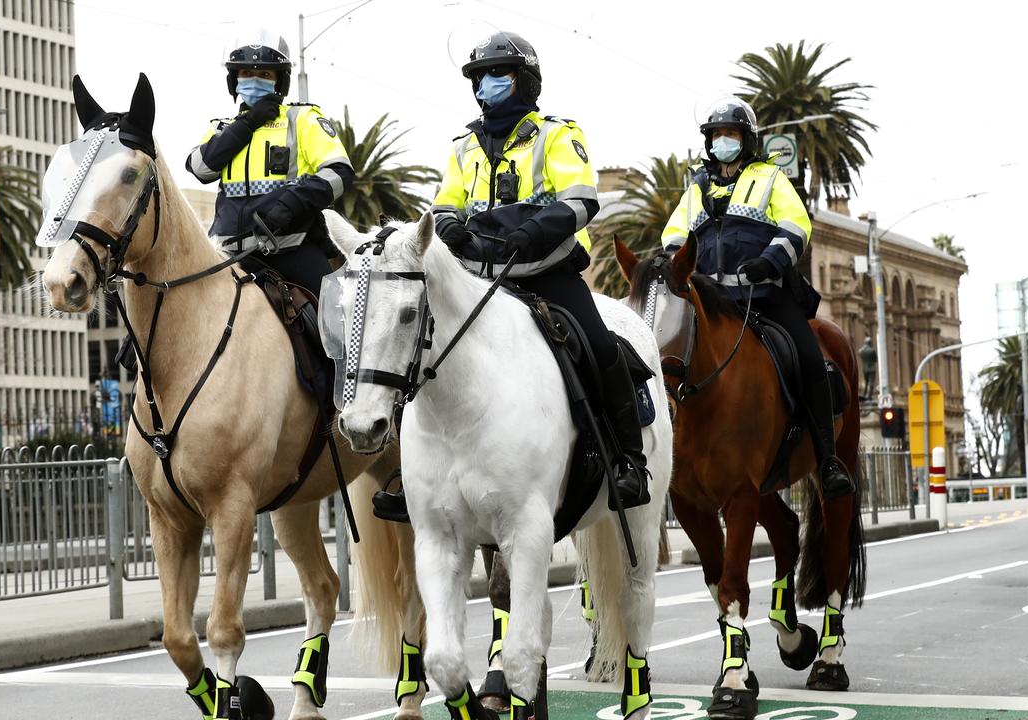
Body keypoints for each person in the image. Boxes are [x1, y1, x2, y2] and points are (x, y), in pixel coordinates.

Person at [401, 30, 648, 512]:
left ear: (525, 81)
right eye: (479, 76)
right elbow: (444, 204)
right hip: (477, 278)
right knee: (419, 345)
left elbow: (581, 199)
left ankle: (628, 461)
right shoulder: (462, 146)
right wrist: (451, 229)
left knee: (599, 346)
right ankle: (411, 473)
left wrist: (531, 233)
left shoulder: (558, 134)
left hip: (545, 271)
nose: (486, 84)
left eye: (499, 74)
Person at [660, 97, 854, 499]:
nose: (722, 141)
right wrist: (673, 266)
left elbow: (796, 225)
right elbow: (673, 237)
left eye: (730, 134)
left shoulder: (770, 178)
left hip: (762, 296)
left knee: (808, 355)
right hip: (710, 305)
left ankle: (829, 457)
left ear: (746, 140)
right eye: (716, 135)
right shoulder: (695, 188)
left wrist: (769, 262)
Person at [185, 31, 354, 294]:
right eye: (246, 73)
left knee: (335, 314)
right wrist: (248, 124)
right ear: (234, 79)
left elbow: (339, 172)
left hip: (290, 248)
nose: (254, 80)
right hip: (226, 253)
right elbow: (201, 169)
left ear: (279, 80)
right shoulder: (222, 128)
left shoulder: (303, 118)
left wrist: (292, 203)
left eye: (264, 74)